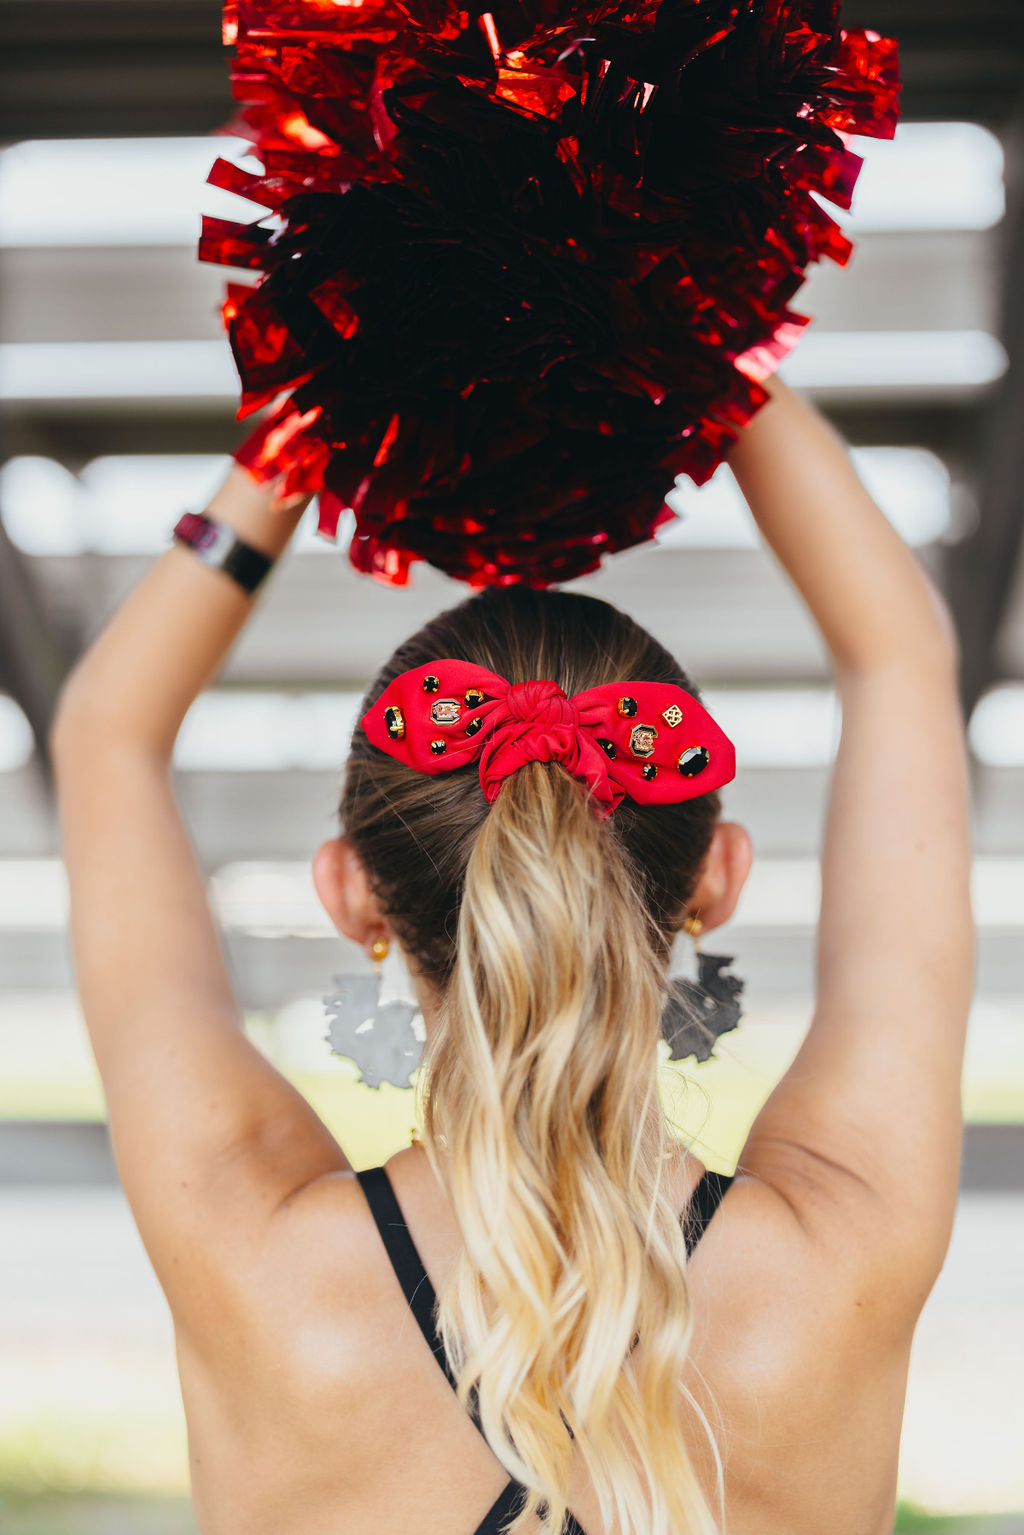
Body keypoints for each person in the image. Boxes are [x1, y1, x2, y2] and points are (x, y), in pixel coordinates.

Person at [49, 373, 974, 1535]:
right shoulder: (842, 1243)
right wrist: (712, 339)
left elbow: (104, 733)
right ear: (715, 876)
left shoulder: (249, 1242)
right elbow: (898, 653)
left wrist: (305, 409)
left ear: (350, 893)